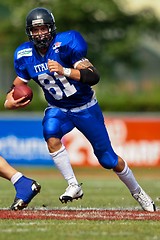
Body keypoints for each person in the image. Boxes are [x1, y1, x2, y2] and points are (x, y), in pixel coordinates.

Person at [4, 7, 156, 212]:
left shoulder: (66, 43)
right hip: (58, 108)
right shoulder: (24, 55)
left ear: (52, 29)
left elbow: (93, 76)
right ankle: (73, 185)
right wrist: (8, 101)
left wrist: (64, 70)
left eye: (43, 28)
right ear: (29, 33)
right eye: (35, 30)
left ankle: (138, 192)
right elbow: (17, 86)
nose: (39, 34)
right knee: (50, 134)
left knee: (108, 159)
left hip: (85, 108)